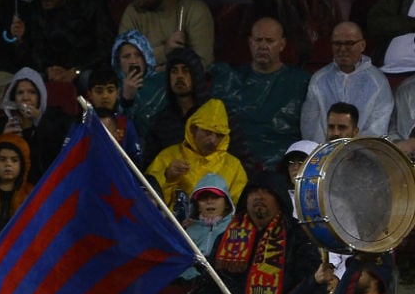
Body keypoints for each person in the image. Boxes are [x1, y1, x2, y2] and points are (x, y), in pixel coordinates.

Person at [205, 171, 320, 294]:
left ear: (279, 199)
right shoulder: (226, 237)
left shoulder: (297, 234)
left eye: (267, 192)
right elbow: (209, 282)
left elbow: (308, 281)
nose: (259, 197)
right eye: (254, 191)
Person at [210, 17, 310, 168]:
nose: (263, 46)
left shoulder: (300, 81)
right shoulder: (230, 79)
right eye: (258, 40)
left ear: (282, 44)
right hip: (235, 166)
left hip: (283, 167)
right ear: (250, 42)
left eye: (270, 41)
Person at [9, 0, 114, 83]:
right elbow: (32, 52)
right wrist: (20, 40)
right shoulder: (35, 9)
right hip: (49, 70)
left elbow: (106, 46)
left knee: (89, 79)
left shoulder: (91, 5)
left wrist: (77, 70)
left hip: (85, 68)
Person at [147, 99, 247, 209]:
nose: (212, 140)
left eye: (219, 136)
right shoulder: (168, 156)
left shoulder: (234, 167)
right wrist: (167, 177)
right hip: (170, 224)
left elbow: (238, 208)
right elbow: (146, 198)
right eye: (207, 132)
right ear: (193, 129)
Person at [301, 21, 393, 140]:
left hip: (363, 153)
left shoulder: (378, 82)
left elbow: (377, 129)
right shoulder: (319, 79)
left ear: (362, 45)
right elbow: (310, 126)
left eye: (349, 43)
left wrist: (354, 152)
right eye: (337, 43)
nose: (342, 49)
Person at [117, 0, 215, 70]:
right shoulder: (133, 11)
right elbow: (124, 61)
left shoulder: (195, 10)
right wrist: (164, 51)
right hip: (141, 84)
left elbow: (203, 63)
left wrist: (154, 68)